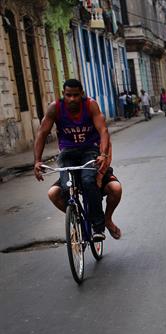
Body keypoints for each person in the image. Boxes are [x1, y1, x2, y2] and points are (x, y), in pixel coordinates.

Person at [33, 78, 110, 241]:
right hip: (68, 152)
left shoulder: (90, 105)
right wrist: (37, 161)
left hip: (89, 150)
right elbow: (42, 133)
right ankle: (77, 217)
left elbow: (103, 130)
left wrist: (102, 154)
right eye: (68, 95)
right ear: (63, 94)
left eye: (76, 95)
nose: (72, 99)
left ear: (81, 94)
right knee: (66, 187)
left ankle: (98, 227)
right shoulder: (55, 108)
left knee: (88, 181)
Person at [47, 141, 123, 239]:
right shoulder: (62, 129)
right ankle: (78, 221)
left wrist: (100, 176)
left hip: (95, 168)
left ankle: (107, 220)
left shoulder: (98, 129)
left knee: (115, 188)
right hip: (72, 169)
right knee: (53, 193)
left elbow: (107, 149)